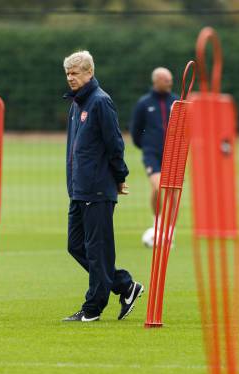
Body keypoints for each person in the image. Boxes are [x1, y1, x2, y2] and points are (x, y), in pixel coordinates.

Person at [61, 50, 144, 322]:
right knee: (75, 246)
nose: (71, 78)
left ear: (89, 73)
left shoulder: (100, 102)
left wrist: (120, 176)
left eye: (75, 73)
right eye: (68, 74)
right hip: (79, 189)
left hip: (97, 188)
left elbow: (114, 143)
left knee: (97, 249)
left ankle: (92, 308)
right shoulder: (77, 104)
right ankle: (124, 285)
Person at [129, 67, 179, 232]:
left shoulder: (177, 102)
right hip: (152, 153)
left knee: (173, 192)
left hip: (173, 153)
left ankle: (170, 230)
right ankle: (157, 221)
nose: (170, 82)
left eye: (170, 79)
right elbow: (136, 130)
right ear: (156, 81)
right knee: (158, 187)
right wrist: (145, 146)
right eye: (166, 80)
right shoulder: (144, 103)